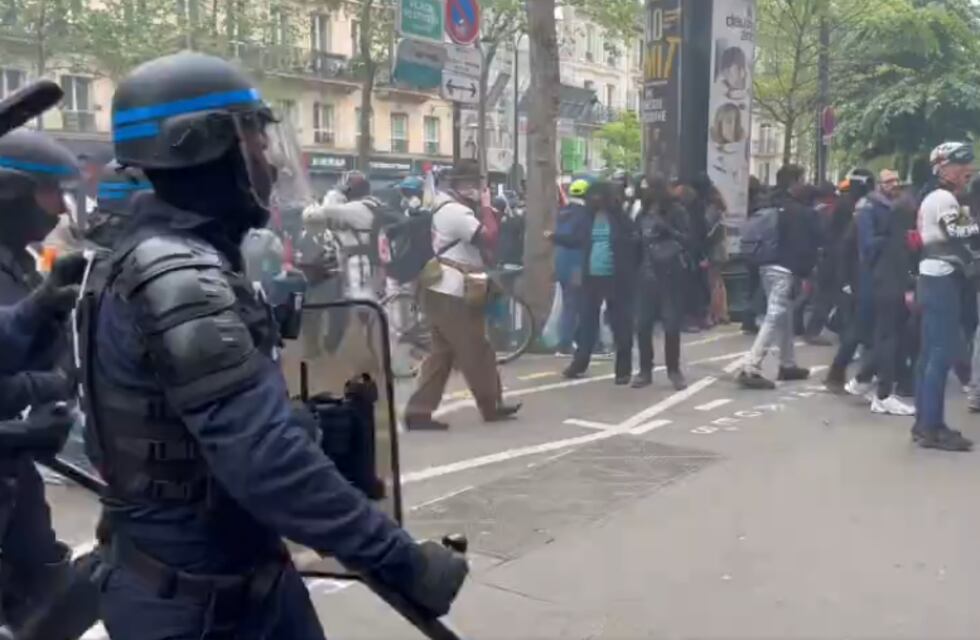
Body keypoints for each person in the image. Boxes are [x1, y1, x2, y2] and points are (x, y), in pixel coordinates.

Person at [80, 52, 468, 640]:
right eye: (257, 143)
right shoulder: (177, 275)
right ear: (207, 148)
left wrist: (300, 421)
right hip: (206, 609)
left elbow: (178, 424)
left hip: (223, 580)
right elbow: (262, 458)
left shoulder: (153, 255)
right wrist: (402, 561)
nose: (270, 161)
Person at [0, 128, 100, 640]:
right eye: (50, 192)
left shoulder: (20, 263)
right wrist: (48, 387)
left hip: (15, 468)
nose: (61, 208)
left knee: (50, 589)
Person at [404, 160, 519, 431]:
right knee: (477, 350)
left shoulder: (443, 206)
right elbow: (489, 237)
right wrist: (488, 207)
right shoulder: (455, 212)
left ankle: (418, 412)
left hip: (440, 289)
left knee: (442, 355)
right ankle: (491, 406)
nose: (477, 189)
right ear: (461, 185)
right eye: (474, 184)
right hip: (451, 292)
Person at [911, 142, 978, 451]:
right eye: (961, 163)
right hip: (941, 279)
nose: (968, 169)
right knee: (940, 353)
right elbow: (959, 232)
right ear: (943, 168)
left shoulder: (943, 198)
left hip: (934, 277)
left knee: (929, 354)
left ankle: (924, 423)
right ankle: (932, 428)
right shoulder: (943, 198)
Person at [836, 170, 916, 415]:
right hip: (879, 279)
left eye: (896, 180)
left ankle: (864, 380)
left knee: (887, 334)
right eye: (889, 181)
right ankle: (881, 393)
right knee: (886, 335)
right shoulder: (873, 211)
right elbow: (867, 247)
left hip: (883, 278)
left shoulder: (885, 210)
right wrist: (892, 240)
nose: (894, 184)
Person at [738, 164, 820, 389]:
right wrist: (805, 271)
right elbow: (807, 244)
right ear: (794, 182)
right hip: (785, 268)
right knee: (775, 314)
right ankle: (751, 366)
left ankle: (787, 363)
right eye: (802, 180)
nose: (805, 184)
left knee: (784, 315)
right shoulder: (799, 211)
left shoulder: (769, 203)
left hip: (765, 264)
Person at [559, 179, 637, 384]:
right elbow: (577, 240)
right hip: (591, 277)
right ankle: (579, 363)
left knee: (620, 324)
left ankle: (623, 370)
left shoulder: (621, 221)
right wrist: (556, 238)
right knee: (586, 322)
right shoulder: (587, 218)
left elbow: (634, 245)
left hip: (616, 278)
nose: (594, 202)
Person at [631, 174, 689, 390]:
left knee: (671, 324)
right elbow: (636, 241)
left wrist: (668, 229)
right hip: (645, 275)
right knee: (643, 324)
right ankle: (645, 370)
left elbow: (689, 240)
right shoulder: (643, 214)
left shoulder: (676, 212)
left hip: (669, 275)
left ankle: (674, 370)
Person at [822, 170, 878, 392]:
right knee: (859, 326)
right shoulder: (859, 210)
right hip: (856, 274)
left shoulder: (852, 207)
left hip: (849, 273)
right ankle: (845, 372)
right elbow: (849, 245)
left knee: (858, 326)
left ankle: (849, 371)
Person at [549, 177, 593, 355]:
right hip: (577, 264)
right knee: (576, 304)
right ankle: (568, 342)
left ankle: (567, 340)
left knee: (569, 302)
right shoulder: (585, 214)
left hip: (562, 262)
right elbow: (581, 239)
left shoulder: (563, 212)